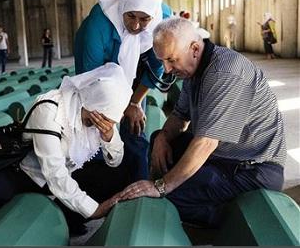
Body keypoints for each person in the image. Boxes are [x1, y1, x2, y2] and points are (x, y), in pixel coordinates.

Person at [118, 18, 286, 228]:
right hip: (223, 157)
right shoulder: (194, 71)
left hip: (252, 170)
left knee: (167, 197)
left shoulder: (226, 73)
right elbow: (179, 117)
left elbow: (206, 143)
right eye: (162, 61)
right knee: (159, 139)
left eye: (171, 59)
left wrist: (161, 187)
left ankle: (232, 220)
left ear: (195, 49)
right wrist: (162, 137)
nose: (167, 69)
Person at [0, 63, 133, 234]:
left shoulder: (101, 118)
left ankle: (64, 222)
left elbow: (115, 161)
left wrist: (109, 136)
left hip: (69, 171)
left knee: (118, 174)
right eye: (104, 118)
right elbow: (54, 173)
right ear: (91, 101)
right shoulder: (50, 110)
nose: (104, 124)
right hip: (31, 176)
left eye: (111, 121)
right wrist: (93, 209)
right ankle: (25, 226)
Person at [74, 0, 170, 182]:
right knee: (97, 121)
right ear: (123, 7)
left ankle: (136, 181)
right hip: (99, 68)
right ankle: (98, 180)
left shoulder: (163, 22)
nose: (135, 26)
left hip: (137, 66)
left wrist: (134, 103)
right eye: (130, 16)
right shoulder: (98, 24)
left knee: (135, 124)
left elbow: (156, 68)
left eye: (144, 19)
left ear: (153, 16)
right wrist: (108, 117)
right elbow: (91, 80)